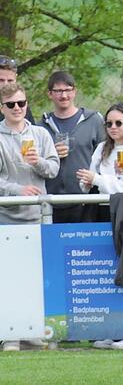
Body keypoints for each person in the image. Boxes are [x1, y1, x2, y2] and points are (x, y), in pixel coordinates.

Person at [0, 82, 59, 352]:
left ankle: (33, 332)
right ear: (2, 107)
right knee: (9, 278)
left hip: (37, 216)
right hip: (7, 217)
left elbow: (53, 169)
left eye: (21, 103)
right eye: (11, 104)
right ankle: (10, 335)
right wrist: (17, 190)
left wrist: (37, 162)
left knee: (35, 278)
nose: (17, 109)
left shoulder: (41, 134)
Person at [39, 71, 106, 223]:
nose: (64, 96)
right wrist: (50, 154)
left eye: (68, 90)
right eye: (58, 91)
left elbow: (106, 156)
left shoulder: (94, 120)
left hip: (86, 201)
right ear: (50, 94)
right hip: (51, 202)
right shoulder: (42, 125)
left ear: (74, 91)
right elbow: (35, 163)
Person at [76, 103, 123, 222]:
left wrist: (96, 179)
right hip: (102, 208)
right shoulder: (102, 147)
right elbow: (90, 178)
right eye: (109, 123)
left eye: (118, 123)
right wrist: (86, 182)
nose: (113, 127)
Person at [0, 55, 35, 124]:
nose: (6, 84)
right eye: (1, 80)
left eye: (10, 80)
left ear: (15, 79)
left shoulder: (20, 105)